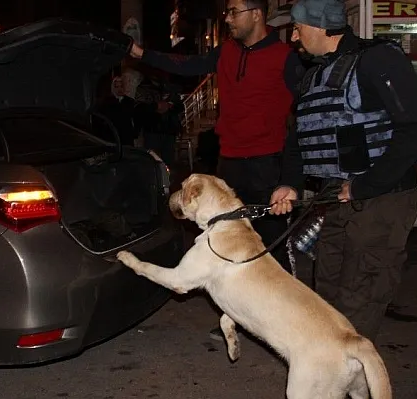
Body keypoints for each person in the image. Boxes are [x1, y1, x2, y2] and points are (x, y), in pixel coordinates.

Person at [129, 0, 303, 342]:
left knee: (269, 250)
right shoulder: (225, 53)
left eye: (234, 11)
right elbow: (184, 63)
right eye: (226, 12)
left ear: (257, 13)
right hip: (230, 164)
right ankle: (236, 316)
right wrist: (140, 53)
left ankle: (287, 323)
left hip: (268, 163)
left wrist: (290, 180)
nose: (227, 19)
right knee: (223, 245)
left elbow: (301, 120)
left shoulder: (286, 58)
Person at [269, 0, 417, 342]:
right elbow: (299, 136)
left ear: (319, 26)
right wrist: (290, 183)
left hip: (381, 200)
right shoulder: (314, 74)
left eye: (298, 28)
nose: (294, 37)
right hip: (335, 200)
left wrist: (366, 186)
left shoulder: (377, 59)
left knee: (359, 301)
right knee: (327, 299)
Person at [134, 73, 185, 165]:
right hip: (152, 130)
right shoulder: (143, 88)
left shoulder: (170, 87)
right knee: (153, 160)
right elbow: (139, 108)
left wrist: (170, 106)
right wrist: (155, 106)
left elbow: (180, 106)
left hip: (169, 129)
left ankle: (168, 178)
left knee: (168, 161)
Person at [97, 76, 139, 146]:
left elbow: (135, 118)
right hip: (113, 137)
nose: (119, 89)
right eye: (117, 87)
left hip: (127, 137)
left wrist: (134, 133)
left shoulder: (129, 101)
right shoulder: (107, 102)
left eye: (121, 86)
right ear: (113, 88)